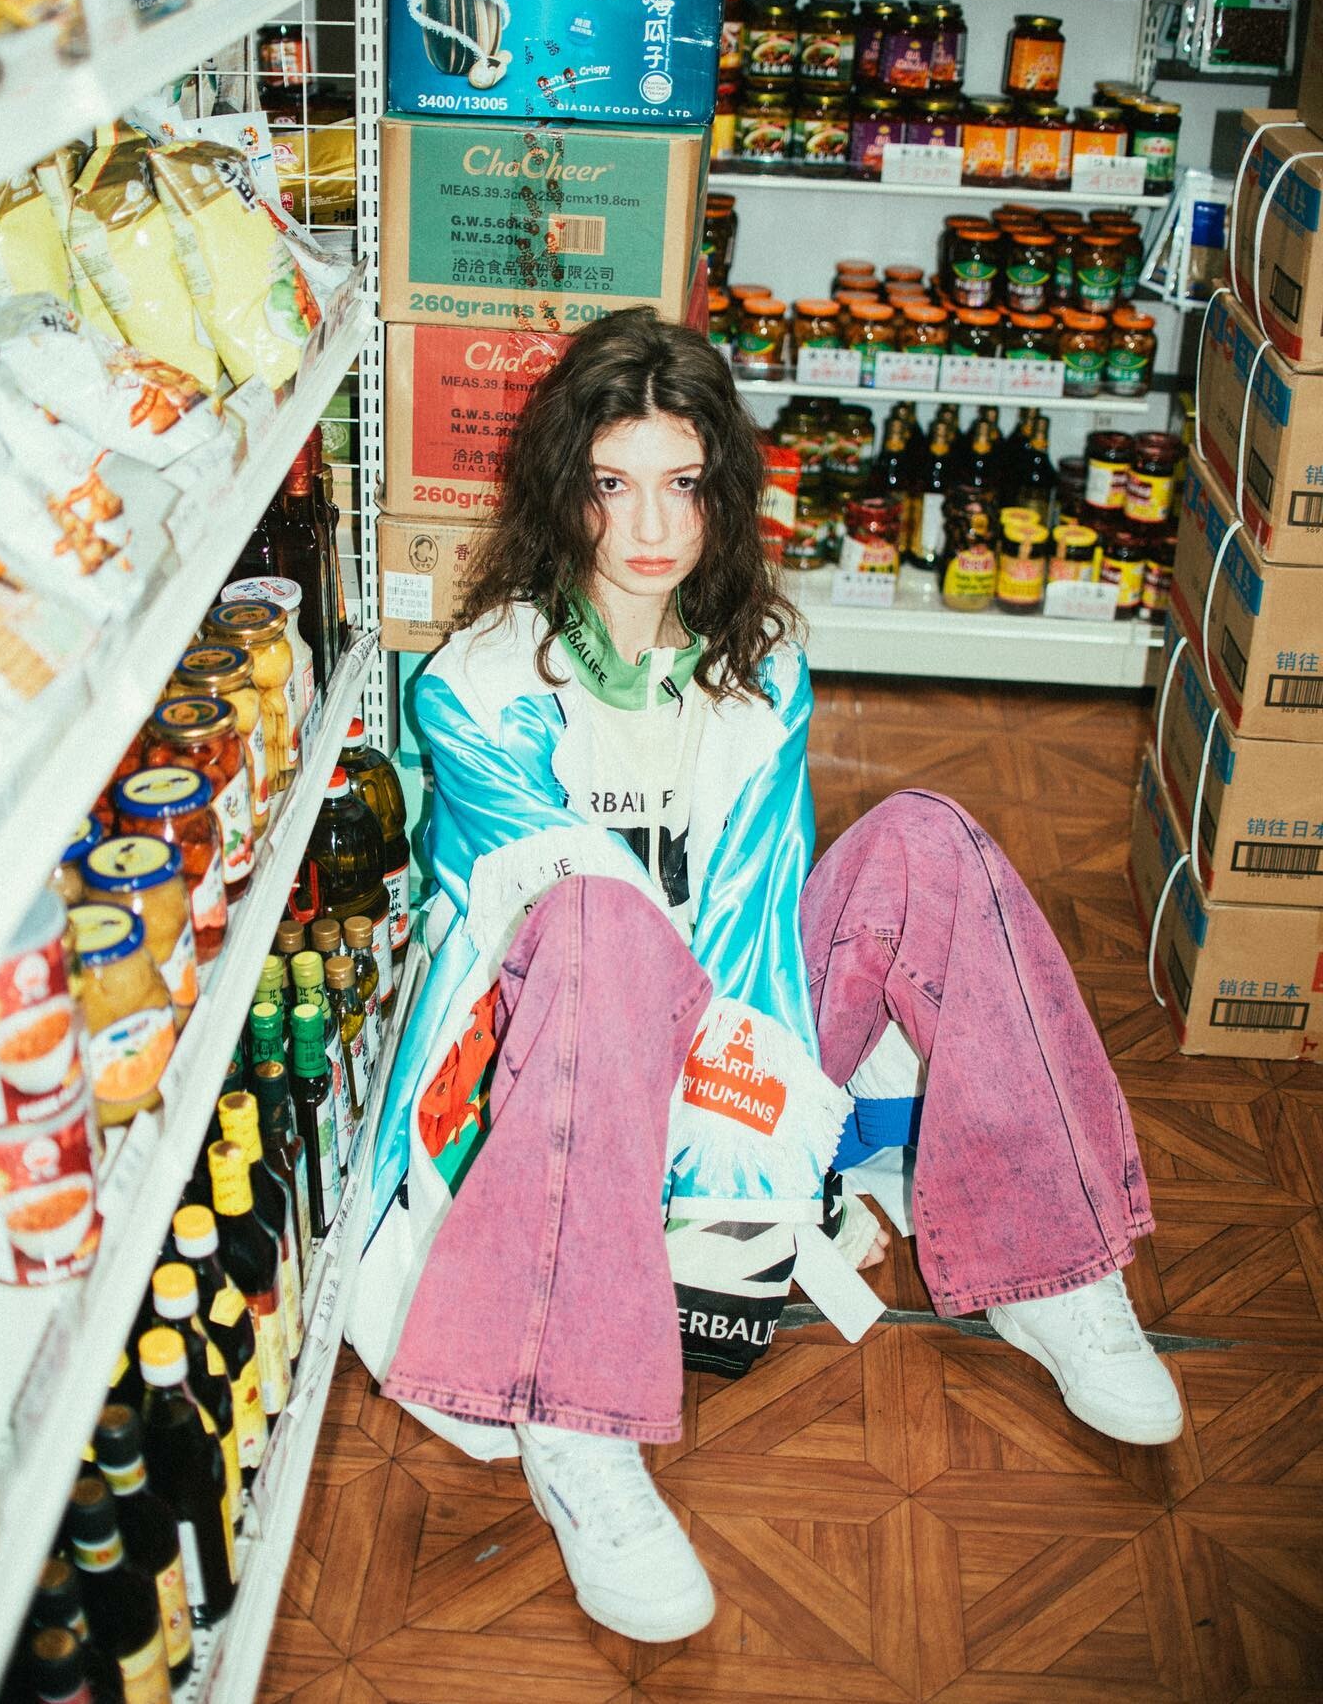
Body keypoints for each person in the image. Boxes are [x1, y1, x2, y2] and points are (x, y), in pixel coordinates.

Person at [349, 308, 1181, 1645]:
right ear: (564, 490)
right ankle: (575, 1420)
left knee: (928, 842)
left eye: (682, 482)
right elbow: (527, 951)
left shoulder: (762, 666)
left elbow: (750, 918)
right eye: (613, 483)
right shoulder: (478, 686)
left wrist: (763, 1181)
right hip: (545, 1073)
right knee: (602, 925)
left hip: (724, 1042)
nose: (649, 526)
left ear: (722, 490)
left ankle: (1049, 1270)